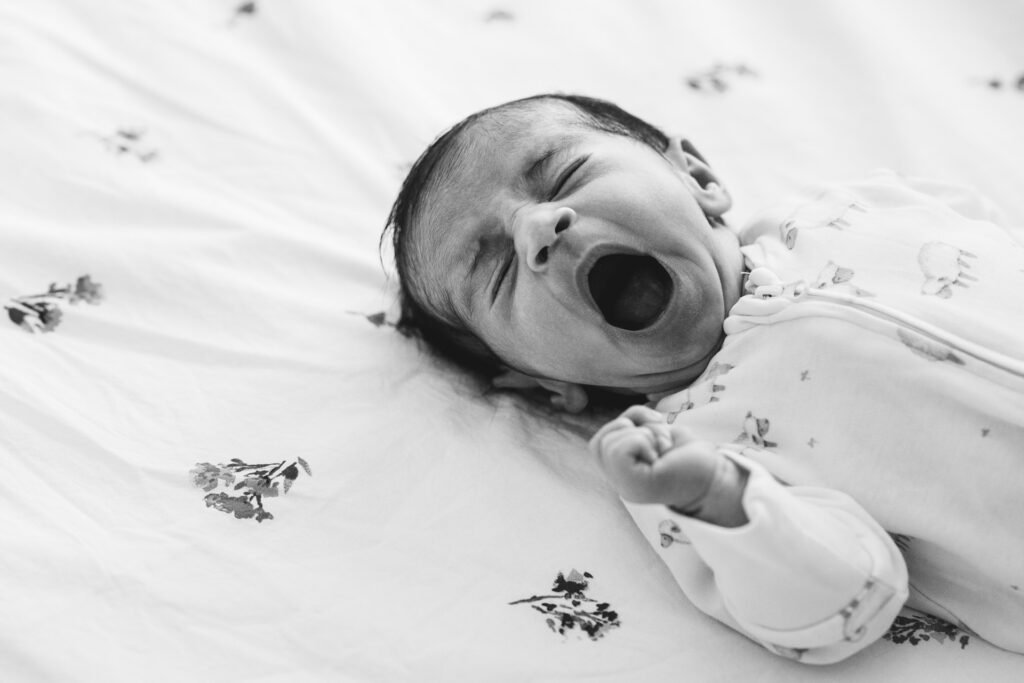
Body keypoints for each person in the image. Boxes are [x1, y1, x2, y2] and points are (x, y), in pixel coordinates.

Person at [383, 93, 1024, 663]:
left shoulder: (851, 207)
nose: (538, 226)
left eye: (566, 174)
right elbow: (845, 604)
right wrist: (720, 499)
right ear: (544, 383)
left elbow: (987, 230)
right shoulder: (692, 459)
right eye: (495, 271)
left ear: (698, 177)